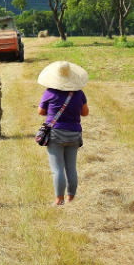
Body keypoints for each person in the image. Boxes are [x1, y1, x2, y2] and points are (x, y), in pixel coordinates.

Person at [37, 60, 89, 205]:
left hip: (55, 134)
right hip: (74, 134)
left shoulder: (49, 92)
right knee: (71, 168)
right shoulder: (79, 94)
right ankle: (70, 199)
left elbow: (41, 111)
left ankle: (59, 200)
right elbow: (85, 113)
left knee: (58, 169)